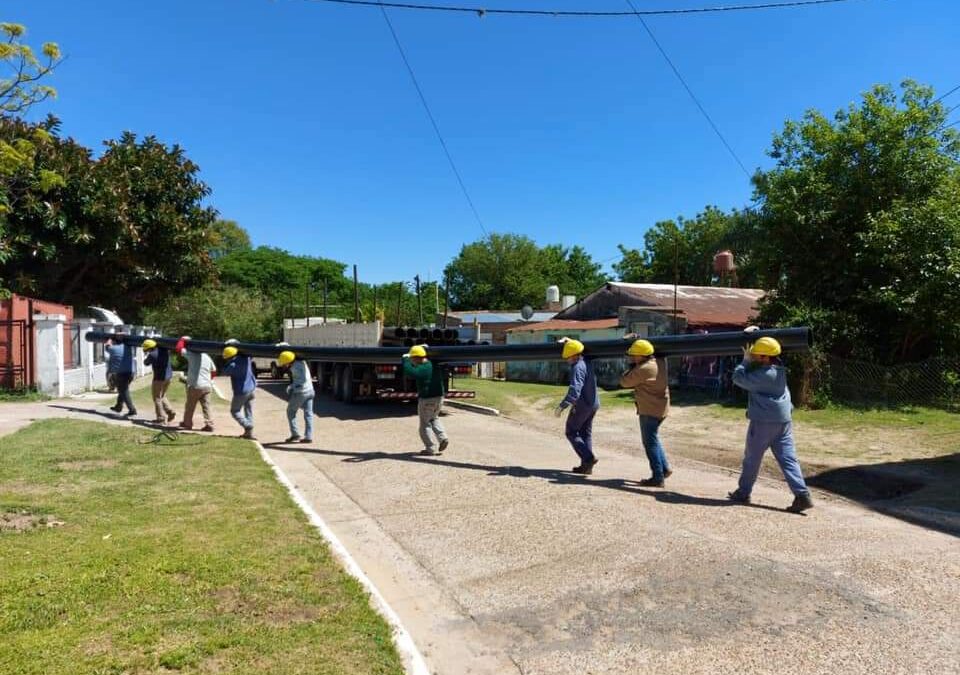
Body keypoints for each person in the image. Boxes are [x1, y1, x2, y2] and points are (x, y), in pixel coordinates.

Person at [727, 335, 814, 513]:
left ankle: (743, 493)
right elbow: (757, 369)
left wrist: (744, 361)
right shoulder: (779, 371)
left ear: (766, 358)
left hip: (763, 423)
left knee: (752, 458)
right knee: (789, 459)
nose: (754, 356)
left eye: (758, 354)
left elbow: (738, 378)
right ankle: (802, 494)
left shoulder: (762, 375)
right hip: (783, 422)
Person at [620, 338, 672, 487]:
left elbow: (624, 382)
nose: (632, 357)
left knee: (649, 443)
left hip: (650, 410)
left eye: (634, 355)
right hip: (660, 408)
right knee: (653, 439)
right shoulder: (660, 361)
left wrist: (630, 367)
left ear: (642, 356)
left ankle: (657, 477)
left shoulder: (643, 369)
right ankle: (664, 468)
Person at [554, 338, 600, 475]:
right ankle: (586, 466)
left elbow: (575, 390)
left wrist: (562, 406)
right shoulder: (587, 361)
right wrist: (570, 341)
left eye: (567, 357)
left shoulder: (577, 367)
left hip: (582, 405)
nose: (567, 360)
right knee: (586, 433)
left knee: (571, 431)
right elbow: (578, 346)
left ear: (574, 356)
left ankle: (588, 458)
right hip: (593, 403)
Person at [401, 345, 448, 456]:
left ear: (417, 357)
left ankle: (430, 448)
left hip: (427, 399)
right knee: (434, 418)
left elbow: (410, 372)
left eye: (412, 359)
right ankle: (443, 438)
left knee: (424, 424)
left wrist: (405, 359)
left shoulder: (423, 368)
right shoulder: (433, 363)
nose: (412, 361)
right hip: (439, 398)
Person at [176, 336, 216, 432]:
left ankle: (187, 423)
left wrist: (182, 340)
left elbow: (179, 349)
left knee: (190, 406)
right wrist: (208, 380)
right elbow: (214, 371)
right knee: (206, 407)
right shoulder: (206, 356)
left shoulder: (191, 355)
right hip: (207, 386)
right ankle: (209, 424)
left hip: (195, 386)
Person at [221, 341, 256, 440]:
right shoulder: (246, 358)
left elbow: (225, 373)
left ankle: (247, 425)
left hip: (241, 391)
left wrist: (227, 363)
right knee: (248, 411)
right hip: (251, 389)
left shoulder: (232, 365)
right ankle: (249, 433)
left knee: (235, 411)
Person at [281, 351, 314, 443]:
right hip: (310, 391)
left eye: (284, 363)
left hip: (301, 392)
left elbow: (301, 381)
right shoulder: (302, 362)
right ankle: (308, 436)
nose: (283, 365)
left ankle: (295, 434)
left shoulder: (294, 367)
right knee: (308, 414)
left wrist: (291, 386)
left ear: (288, 361)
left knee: (290, 411)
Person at [142, 338, 176, 424]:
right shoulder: (165, 350)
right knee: (162, 396)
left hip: (159, 379)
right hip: (169, 377)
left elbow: (145, 363)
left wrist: (147, 355)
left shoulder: (152, 355)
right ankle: (170, 412)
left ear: (149, 348)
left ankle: (161, 418)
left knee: (157, 398)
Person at [105, 334, 137, 418]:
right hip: (131, 372)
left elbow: (107, 346)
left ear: (114, 342)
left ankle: (132, 410)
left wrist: (109, 340)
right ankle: (118, 406)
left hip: (121, 373)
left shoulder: (113, 348)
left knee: (124, 391)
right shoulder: (129, 347)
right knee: (123, 390)